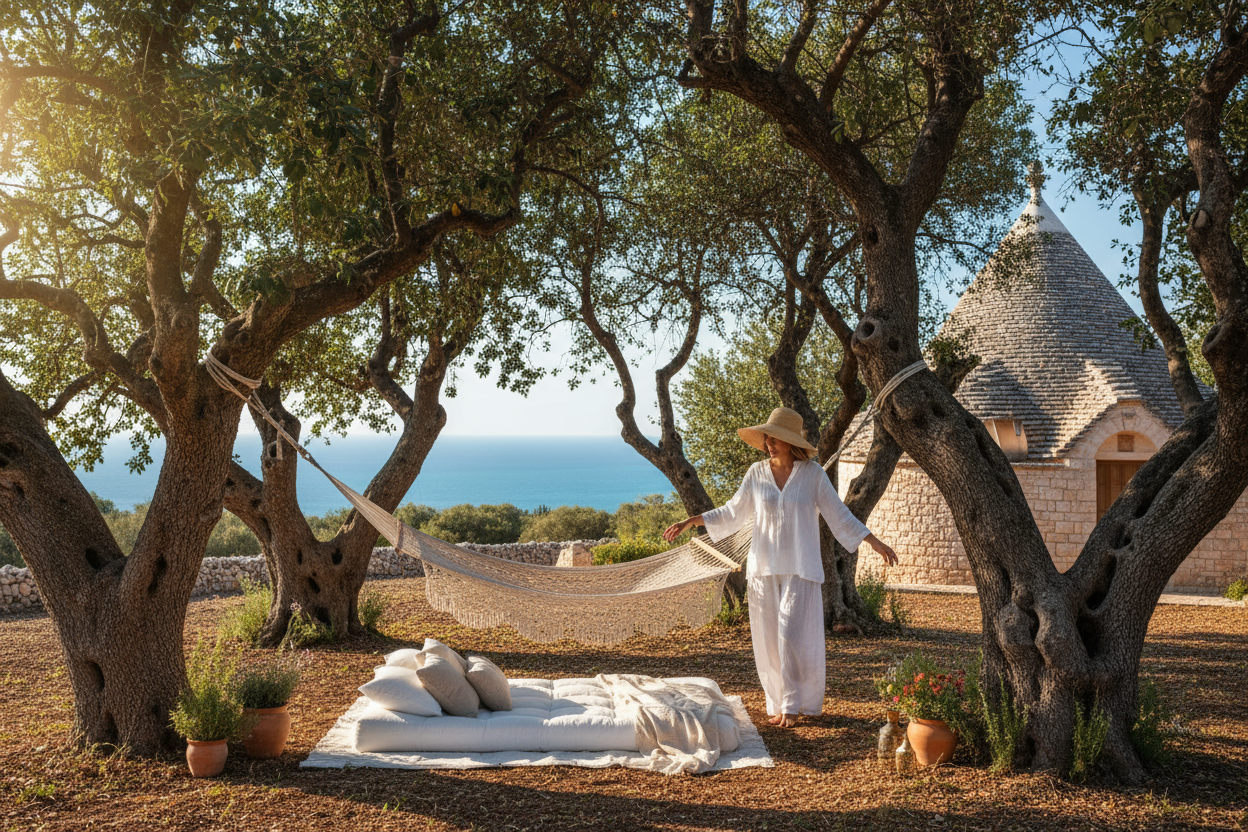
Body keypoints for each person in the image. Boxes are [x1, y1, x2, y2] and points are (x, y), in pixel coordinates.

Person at [663, 406, 898, 728]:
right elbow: (733, 512)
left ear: (791, 441)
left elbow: (838, 514)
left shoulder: (813, 474)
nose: (769, 443)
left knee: (791, 636)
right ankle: (778, 702)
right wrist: (693, 520)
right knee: (769, 639)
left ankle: (794, 704)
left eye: (775, 439)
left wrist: (873, 541)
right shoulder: (756, 474)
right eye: (766, 438)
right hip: (763, 567)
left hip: (801, 568)